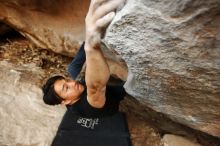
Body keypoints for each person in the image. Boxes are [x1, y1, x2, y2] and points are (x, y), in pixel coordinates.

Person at [42, 0, 127, 118]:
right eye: (66, 88)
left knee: (72, 68)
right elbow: (96, 87)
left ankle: (92, 34)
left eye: (67, 80)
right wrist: (91, 47)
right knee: (130, 86)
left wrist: (89, 35)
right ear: (65, 102)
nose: (72, 83)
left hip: (91, 89)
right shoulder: (89, 106)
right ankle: (92, 39)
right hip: (113, 95)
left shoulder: (74, 91)